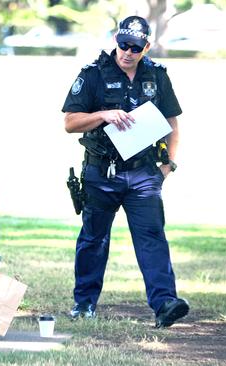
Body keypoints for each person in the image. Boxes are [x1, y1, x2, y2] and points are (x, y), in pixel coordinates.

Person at [61, 16, 189, 328]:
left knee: (152, 237)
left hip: (144, 173)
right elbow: (69, 122)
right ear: (115, 40)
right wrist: (103, 115)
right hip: (100, 173)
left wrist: (167, 165)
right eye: (122, 44)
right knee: (94, 239)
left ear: (146, 47)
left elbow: (172, 122)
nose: (127, 52)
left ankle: (164, 305)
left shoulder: (157, 76)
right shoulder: (93, 74)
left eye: (135, 47)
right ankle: (84, 304)